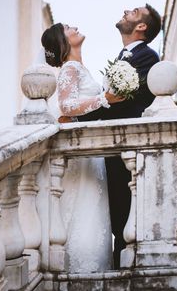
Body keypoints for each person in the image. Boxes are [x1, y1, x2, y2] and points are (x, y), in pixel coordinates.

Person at [78, 5, 161, 268]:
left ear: (142, 27)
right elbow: (110, 99)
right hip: (111, 142)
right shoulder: (122, 56)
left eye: (134, 11)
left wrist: (82, 113)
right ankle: (118, 259)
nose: (126, 11)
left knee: (124, 205)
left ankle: (125, 263)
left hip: (127, 143)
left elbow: (122, 99)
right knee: (115, 205)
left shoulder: (148, 57)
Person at [42, 23, 124, 272]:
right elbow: (66, 106)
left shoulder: (79, 68)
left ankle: (93, 265)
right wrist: (104, 99)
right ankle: (78, 267)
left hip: (92, 152)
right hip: (82, 156)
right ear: (62, 41)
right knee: (83, 206)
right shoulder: (70, 67)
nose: (75, 27)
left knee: (92, 209)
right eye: (68, 28)